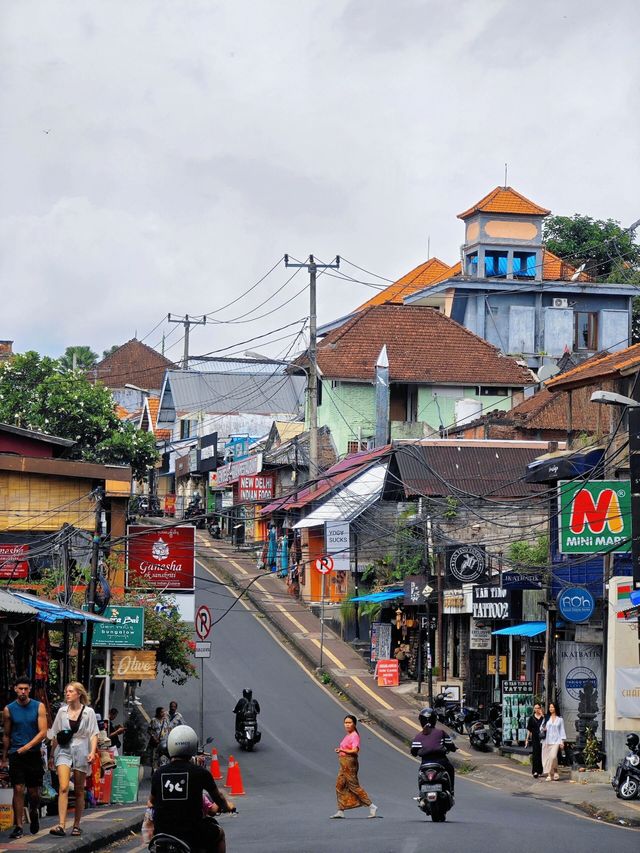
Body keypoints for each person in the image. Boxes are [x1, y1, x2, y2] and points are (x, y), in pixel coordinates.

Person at [150, 724, 235, 853]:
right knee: (220, 833)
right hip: (192, 833)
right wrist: (226, 806)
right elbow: (218, 797)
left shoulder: (158, 773)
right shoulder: (200, 772)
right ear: (193, 747)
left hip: (162, 834)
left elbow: (151, 801)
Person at [48, 682, 99, 837]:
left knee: (78, 790)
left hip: (81, 750)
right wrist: (51, 755)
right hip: (63, 750)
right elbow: (55, 733)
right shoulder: (62, 711)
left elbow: (93, 733)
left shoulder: (88, 712)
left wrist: (92, 752)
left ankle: (76, 825)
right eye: (66, 691)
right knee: (63, 787)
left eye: (70, 691)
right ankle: (61, 825)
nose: (67, 694)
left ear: (79, 694)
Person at [1, 675, 48, 839]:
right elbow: (6, 734)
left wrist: (27, 747)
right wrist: (4, 758)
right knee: (18, 788)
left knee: (33, 793)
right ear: (15, 689)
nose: (23, 692)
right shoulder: (9, 709)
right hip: (16, 754)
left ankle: (34, 811)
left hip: (33, 754)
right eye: (20, 689)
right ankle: (19, 825)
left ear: (29, 690)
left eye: (26, 689)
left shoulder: (39, 707)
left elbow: (43, 732)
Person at [330, 714, 378, 819]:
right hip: (343, 763)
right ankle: (340, 810)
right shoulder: (348, 735)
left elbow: (355, 750)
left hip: (350, 763)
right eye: (346, 723)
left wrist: (342, 750)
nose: (347, 725)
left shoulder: (354, 735)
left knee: (354, 786)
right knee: (339, 785)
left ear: (354, 724)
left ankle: (371, 806)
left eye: (349, 723)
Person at [410, 707, 457, 794]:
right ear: (434, 719)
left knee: (420, 775)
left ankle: (421, 795)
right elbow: (451, 746)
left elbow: (413, 752)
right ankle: (452, 791)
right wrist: (453, 748)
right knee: (450, 769)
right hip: (441, 762)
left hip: (425, 763)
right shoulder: (441, 732)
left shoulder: (418, 736)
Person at [541, 701, 567, 782]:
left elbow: (562, 730)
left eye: (552, 707)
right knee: (548, 758)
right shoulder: (547, 718)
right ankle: (551, 774)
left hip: (556, 741)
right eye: (550, 707)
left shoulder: (560, 719)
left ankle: (553, 771)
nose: (551, 708)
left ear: (555, 708)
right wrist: (543, 728)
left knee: (553, 756)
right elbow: (541, 728)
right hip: (547, 741)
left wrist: (562, 741)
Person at [525, 702, 545, 778]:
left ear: (540, 708)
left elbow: (547, 724)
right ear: (533, 709)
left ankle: (540, 770)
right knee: (535, 754)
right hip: (535, 738)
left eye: (538, 708)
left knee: (541, 754)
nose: (537, 709)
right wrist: (527, 739)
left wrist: (542, 714)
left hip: (543, 738)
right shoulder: (531, 718)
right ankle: (535, 771)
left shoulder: (543, 718)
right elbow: (529, 730)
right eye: (535, 708)